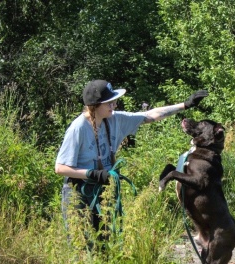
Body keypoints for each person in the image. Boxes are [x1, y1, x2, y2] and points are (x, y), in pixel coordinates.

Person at [55, 79, 208, 247]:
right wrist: (91, 173)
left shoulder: (115, 120)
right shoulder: (78, 128)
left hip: (103, 190)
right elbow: (60, 168)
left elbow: (150, 115)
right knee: (81, 246)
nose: (114, 105)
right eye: (110, 102)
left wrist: (184, 105)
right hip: (79, 192)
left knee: (104, 243)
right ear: (95, 105)